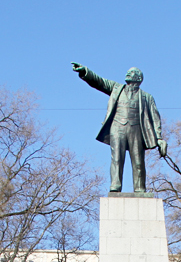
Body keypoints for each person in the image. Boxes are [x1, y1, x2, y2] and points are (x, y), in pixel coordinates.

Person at [71, 62, 167, 193]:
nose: (128, 73)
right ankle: (115, 186)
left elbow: (156, 118)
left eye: (132, 72)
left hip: (137, 130)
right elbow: (99, 82)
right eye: (128, 72)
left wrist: (159, 138)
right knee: (116, 158)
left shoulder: (147, 97)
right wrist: (85, 72)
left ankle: (140, 188)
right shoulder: (116, 88)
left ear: (139, 78)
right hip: (117, 128)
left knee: (138, 162)